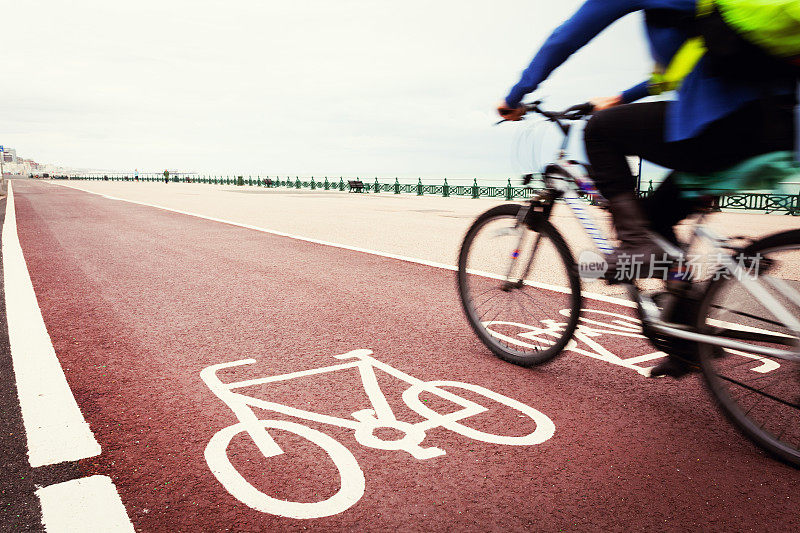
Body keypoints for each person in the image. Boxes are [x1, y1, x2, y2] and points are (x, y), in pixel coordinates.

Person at [497, 0, 796, 376]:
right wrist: (623, 98)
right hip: (776, 122)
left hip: (726, 123)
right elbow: (688, 64)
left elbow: (567, 36)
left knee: (600, 132)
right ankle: (688, 343)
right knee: (655, 218)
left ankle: (636, 245)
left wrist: (514, 97)